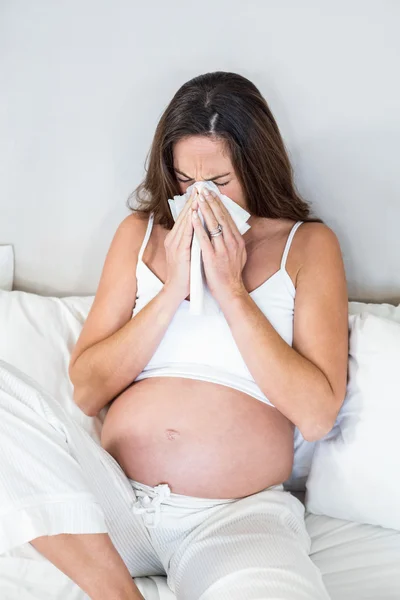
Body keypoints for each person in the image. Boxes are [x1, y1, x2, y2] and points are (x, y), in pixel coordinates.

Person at [1, 72, 348, 600]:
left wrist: (231, 292)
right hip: (106, 506)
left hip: (231, 520)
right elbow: (87, 390)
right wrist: (173, 291)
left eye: (221, 182)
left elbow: (318, 416)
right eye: (186, 182)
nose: (201, 199)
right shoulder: (140, 234)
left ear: (257, 167)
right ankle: (118, 593)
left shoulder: (307, 246)